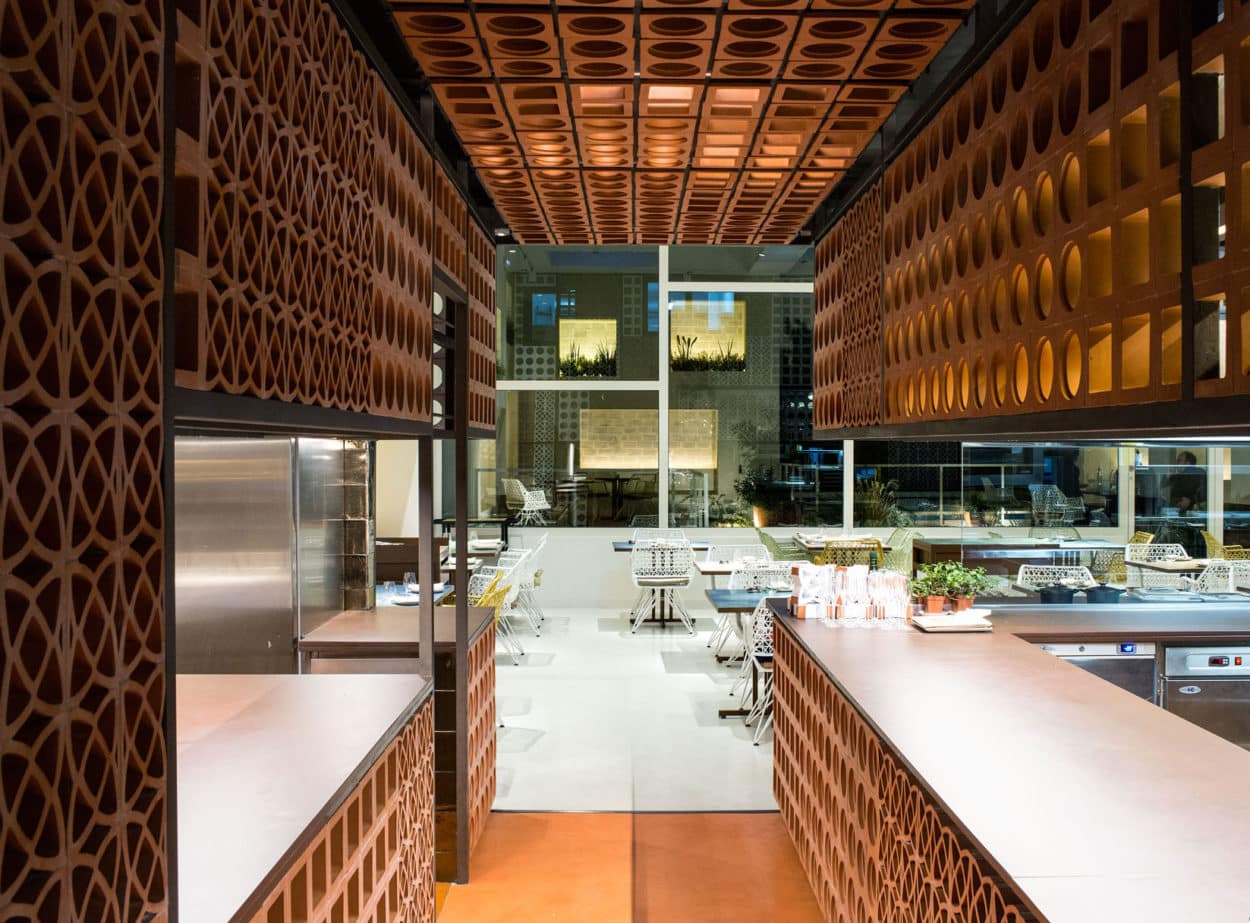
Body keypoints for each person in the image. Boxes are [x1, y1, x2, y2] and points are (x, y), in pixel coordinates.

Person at [1166, 450, 1204, 516]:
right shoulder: (1176, 476)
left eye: (1179, 461)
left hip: (1194, 513)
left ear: (1188, 463)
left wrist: (1190, 501)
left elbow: (1204, 493)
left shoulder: (1198, 473)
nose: (1176, 464)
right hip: (1179, 512)